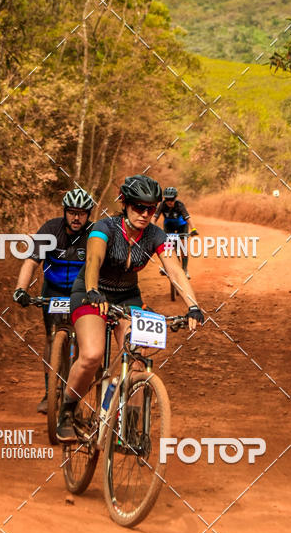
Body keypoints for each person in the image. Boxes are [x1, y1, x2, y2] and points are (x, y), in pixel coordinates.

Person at [56, 174, 204, 442]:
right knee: (91, 354)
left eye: (151, 208)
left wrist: (193, 306)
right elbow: (93, 260)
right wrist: (92, 290)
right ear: (124, 204)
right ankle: (66, 411)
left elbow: (174, 270)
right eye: (138, 207)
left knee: (138, 357)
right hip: (91, 291)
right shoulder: (105, 227)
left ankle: (131, 427)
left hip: (127, 296)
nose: (145, 214)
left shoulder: (155, 234)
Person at [12, 187, 94, 413]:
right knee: (51, 339)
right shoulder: (50, 229)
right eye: (71, 212)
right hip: (53, 290)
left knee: (81, 340)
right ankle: (50, 392)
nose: (76, 218)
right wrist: (21, 289)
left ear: (89, 215)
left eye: (82, 213)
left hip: (81, 292)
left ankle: (73, 391)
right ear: (64, 212)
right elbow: (31, 261)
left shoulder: (94, 234)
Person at [154, 186, 196, 277]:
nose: (170, 202)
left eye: (172, 199)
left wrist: (193, 229)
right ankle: (166, 267)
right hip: (169, 225)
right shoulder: (162, 205)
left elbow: (188, 218)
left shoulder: (179, 205)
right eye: (167, 199)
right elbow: (155, 217)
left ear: (175, 198)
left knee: (183, 246)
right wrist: (151, 227)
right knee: (167, 245)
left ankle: (185, 269)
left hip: (182, 225)